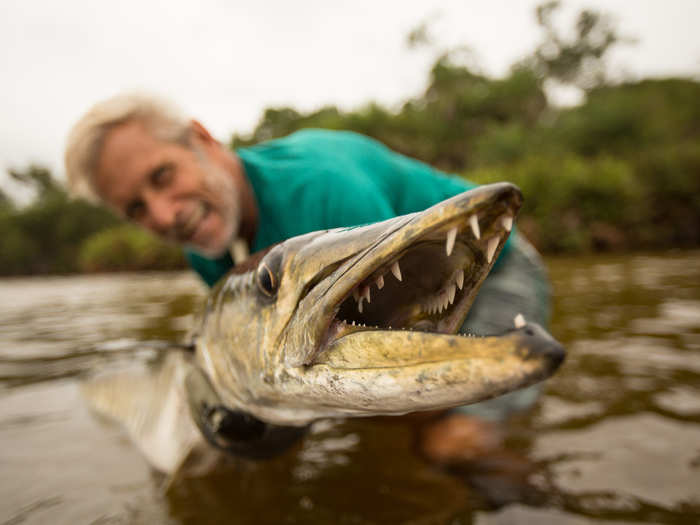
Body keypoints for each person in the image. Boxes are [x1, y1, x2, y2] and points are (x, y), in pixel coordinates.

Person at [65, 93, 550, 464]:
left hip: (493, 261)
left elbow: (404, 322)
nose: (164, 214)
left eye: (162, 176)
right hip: (367, 290)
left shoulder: (323, 190)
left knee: (451, 444)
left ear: (201, 138)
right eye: (136, 208)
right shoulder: (205, 247)